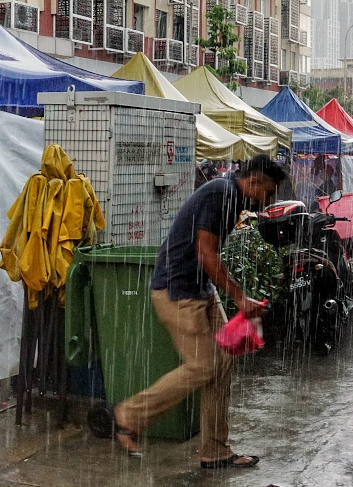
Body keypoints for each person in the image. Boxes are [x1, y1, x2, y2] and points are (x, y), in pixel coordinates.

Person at [113, 154, 285, 468]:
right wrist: (240, 297)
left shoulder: (234, 199)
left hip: (200, 290)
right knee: (203, 367)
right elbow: (205, 253)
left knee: (222, 365)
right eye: (269, 192)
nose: (270, 199)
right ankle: (129, 416)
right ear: (255, 181)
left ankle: (215, 451)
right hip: (177, 292)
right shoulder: (222, 193)